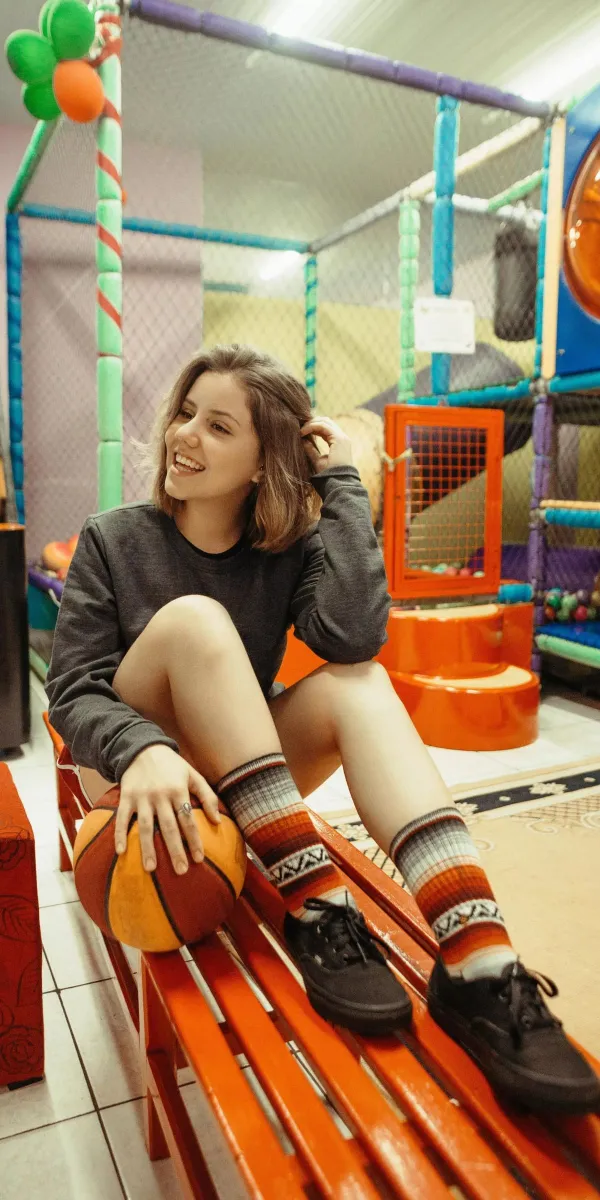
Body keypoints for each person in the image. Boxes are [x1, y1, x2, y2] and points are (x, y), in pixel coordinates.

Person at [46, 343, 599, 1116]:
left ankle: (479, 963)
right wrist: (143, 747)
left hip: (236, 773)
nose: (183, 435)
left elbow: (350, 638)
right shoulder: (115, 536)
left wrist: (339, 483)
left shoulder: (288, 547)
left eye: (218, 426)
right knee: (197, 622)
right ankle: (319, 905)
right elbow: (71, 690)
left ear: (266, 460)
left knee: (363, 686)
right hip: (135, 775)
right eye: (184, 414)